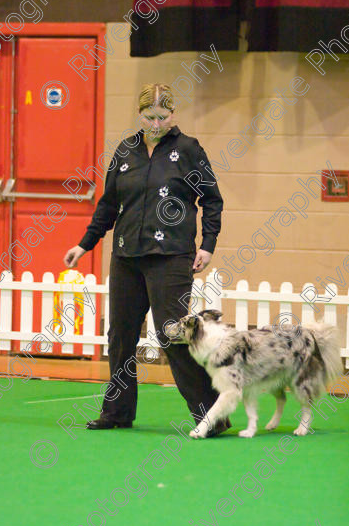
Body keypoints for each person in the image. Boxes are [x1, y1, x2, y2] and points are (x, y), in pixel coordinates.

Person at [64, 83, 230, 435]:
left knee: (172, 335)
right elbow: (109, 204)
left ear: (173, 114)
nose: (155, 124)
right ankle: (117, 413)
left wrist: (208, 244)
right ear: (139, 114)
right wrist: (85, 244)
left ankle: (211, 415)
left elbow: (212, 200)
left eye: (162, 116)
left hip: (170, 255)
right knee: (120, 335)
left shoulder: (188, 150)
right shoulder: (126, 150)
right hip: (126, 254)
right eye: (149, 116)